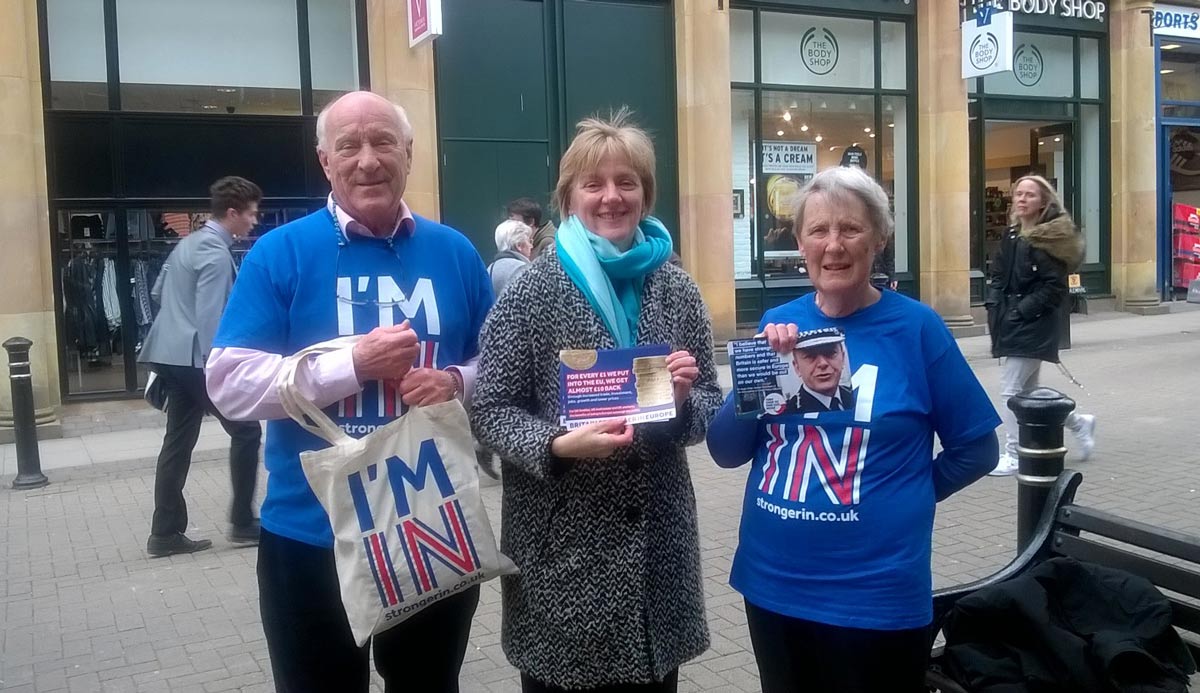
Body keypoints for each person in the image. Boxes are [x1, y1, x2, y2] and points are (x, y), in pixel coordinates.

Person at [205, 91, 492, 692]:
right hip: (311, 536)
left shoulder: (455, 252)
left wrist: (455, 381)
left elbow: (502, 367)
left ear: (409, 154)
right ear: (324, 160)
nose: (368, 159)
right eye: (349, 145)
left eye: (384, 141)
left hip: (431, 526)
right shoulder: (279, 252)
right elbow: (228, 384)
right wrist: (353, 364)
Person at [706, 166, 1001, 693]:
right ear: (799, 243)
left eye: (851, 229)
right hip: (773, 581)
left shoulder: (916, 328)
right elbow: (726, 451)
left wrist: (910, 492)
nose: (833, 245)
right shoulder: (781, 323)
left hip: (876, 591)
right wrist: (758, 376)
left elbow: (977, 448)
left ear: (879, 239)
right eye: (818, 231)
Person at [471, 110, 722, 692]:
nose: (611, 197)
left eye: (626, 182)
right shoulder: (533, 289)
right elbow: (489, 408)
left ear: (646, 194)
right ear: (569, 198)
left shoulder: (676, 286)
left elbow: (709, 399)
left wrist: (684, 401)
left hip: (658, 553)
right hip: (563, 551)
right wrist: (556, 445)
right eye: (594, 184)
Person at [139, 175, 264, 557]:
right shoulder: (215, 252)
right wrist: (221, 366)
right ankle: (243, 521)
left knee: (177, 441)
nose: (255, 221)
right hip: (197, 358)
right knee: (246, 431)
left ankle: (164, 533)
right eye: (252, 214)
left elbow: (160, 293)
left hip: (169, 354)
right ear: (232, 213)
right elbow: (212, 317)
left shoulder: (187, 244)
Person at [986, 174, 1095, 477]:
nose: (1021, 199)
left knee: (1009, 392)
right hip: (1012, 320)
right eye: (1018, 194)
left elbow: (1054, 288)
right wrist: (995, 303)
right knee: (1029, 393)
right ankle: (1078, 422)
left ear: (1044, 202)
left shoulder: (1049, 240)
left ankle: (1013, 453)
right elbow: (998, 274)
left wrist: (1021, 311)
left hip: (1032, 323)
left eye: (1029, 195)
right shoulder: (1012, 235)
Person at [784, 327, 855, 414]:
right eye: (810, 356)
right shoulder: (786, 414)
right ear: (797, 367)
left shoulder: (858, 397)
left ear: (843, 358)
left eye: (830, 353)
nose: (822, 364)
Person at [488, 218, 534, 296]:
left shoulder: (490, 270)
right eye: (529, 241)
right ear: (519, 245)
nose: (531, 246)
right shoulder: (525, 270)